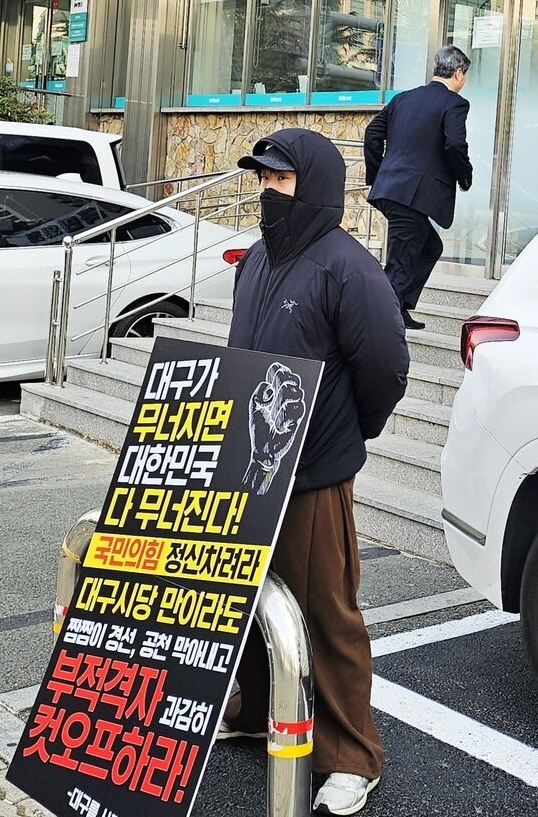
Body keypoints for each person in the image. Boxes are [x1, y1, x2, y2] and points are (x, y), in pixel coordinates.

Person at [222, 128, 409, 816]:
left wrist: (344, 434)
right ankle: (252, 711)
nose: (268, 191)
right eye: (263, 180)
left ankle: (351, 754)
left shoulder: (347, 267)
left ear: (316, 185)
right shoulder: (255, 259)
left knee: (325, 613)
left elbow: (386, 367)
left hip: (314, 474)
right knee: (243, 598)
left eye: (282, 179)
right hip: (250, 468)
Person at [364, 45, 473, 330]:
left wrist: (379, 175)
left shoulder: (403, 98)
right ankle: (380, 325)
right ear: (458, 73)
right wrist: (464, 176)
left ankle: (399, 308)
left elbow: (372, 133)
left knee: (429, 247)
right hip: (410, 196)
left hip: (394, 192)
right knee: (400, 263)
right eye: (465, 75)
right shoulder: (454, 103)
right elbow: (454, 144)